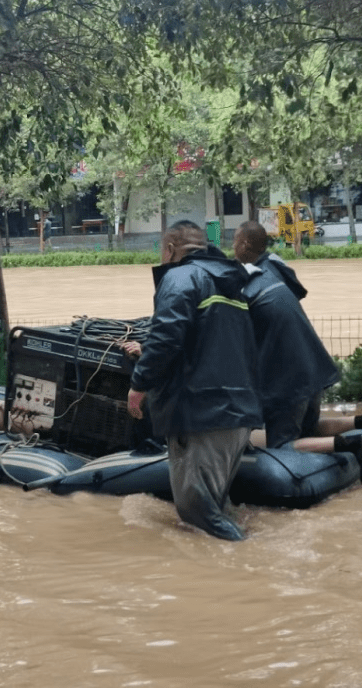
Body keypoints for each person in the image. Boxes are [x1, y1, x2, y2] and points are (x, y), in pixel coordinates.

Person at [232, 221, 362, 487]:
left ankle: (355, 443)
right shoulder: (274, 269)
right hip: (313, 367)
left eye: (233, 242)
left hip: (286, 379)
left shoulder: (243, 289)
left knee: (281, 447)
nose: (232, 249)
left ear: (244, 245)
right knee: (307, 428)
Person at [126, 220, 262, 541]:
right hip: (238, 414)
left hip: (202, 416)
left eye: (162, 250)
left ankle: (252, 568)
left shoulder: (179, 277)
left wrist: (138, 385)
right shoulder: (232, 285)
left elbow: (166, 337)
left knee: (196, 512)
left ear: (171, 249)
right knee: (217, 506)